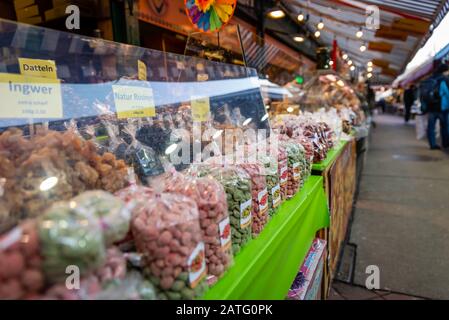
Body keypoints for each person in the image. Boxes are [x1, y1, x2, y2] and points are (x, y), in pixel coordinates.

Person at [420, 64, 449, 150]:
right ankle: (445, 143)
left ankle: (432, 144)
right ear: (444, 71)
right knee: (444, 126)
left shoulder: (429, 79)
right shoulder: (444, 79)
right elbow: (447, 93)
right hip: (442, 107)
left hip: (431, 107)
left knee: (431, 127)